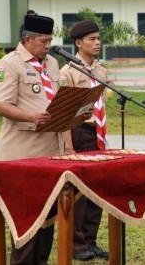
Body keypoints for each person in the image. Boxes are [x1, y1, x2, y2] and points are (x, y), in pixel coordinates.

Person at [0, 14, 61, 265]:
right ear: (27, 39)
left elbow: (56, 101)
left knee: (48, 215)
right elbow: (1, 106)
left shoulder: (52, 64)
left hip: (51, 153)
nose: (48, 46)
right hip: (22, 155)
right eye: (43, 41)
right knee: (25, 217)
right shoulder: (9, 65)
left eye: (51, 40)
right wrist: (32, 116)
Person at [60, 20, 110, 261]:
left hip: (97, 134)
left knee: (96, 189)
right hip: (77, 132)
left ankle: (90, 241)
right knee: (78, 191)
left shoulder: (101, 70)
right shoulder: (68, 72)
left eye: (99, 38)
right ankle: (77, 244)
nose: (97, 42)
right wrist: (68, 146)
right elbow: (65, 114)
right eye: (92, 39)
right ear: (78, 43)